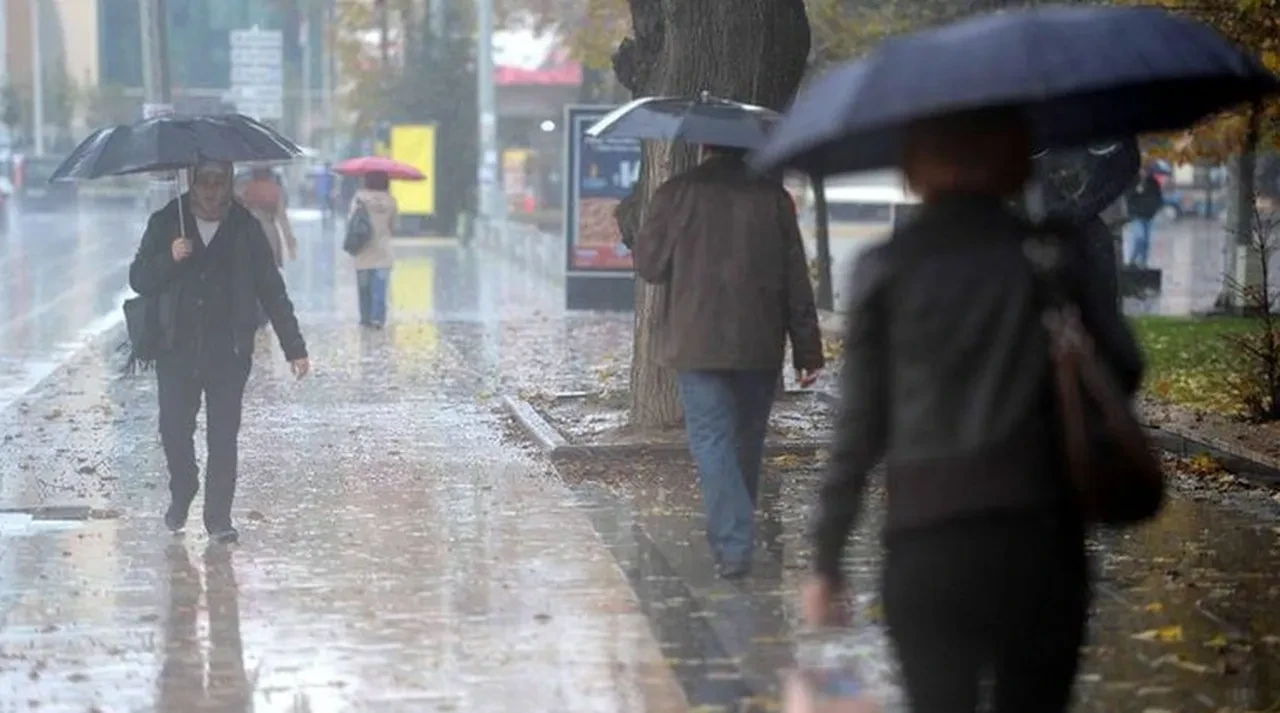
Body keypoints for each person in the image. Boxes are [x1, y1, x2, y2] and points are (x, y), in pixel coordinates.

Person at [800, 108, 1144, 713]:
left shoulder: (887, 266)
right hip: (1041, 539)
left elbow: (859, 428)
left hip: (927, 543)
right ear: (1016, 158)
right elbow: (1124, 370)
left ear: (915, 164)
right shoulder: (1052, 254)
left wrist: (827, 557)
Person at [634, 144, 824, 580]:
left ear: (704, 147)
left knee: (712, 440)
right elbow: (797, 278)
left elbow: (649, 266)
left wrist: (644, 225)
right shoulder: (773, 198)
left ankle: (735, 544)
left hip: (697, 342)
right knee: (745, 443)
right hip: (759, 342)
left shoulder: (677, 193)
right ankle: (734, 538)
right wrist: (807, 350)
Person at [128, 160, 310, 544]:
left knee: (223, 437)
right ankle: (184, 488)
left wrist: (294, 347)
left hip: (228, 351)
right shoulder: (167, 221)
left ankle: (219, 518)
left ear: (229, 182)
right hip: (176, 350)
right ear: (192, 182)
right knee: (174, 431)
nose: (211, 190)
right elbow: (139, 278)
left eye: (218, 181)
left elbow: (271, 290)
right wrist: (169, 258)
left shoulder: (245, 227)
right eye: (204, 181)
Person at [349, 170, 398, 328]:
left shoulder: (359, 199)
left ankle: (365, 318)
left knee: (364, 289)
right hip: (383, 251)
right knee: (380, 289)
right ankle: (378, 318)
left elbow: (351, 221)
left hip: (363, 250)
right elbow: (394, 226)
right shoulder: (391, 201)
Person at [239, 166, 297, 268]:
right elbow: (282, 216)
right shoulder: (276, 183)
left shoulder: (242, 180)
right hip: (267, 234)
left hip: (250, 233)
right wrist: (290, 242)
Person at [1123, 166, 1163, 267]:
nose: (1145, 172)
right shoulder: (1134, 181)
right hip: (1137, 215)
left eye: (1147, 170)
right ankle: (1133, 259)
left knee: (1146, 241)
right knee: (1139, 237)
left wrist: (1154, 209)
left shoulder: (1153, 183)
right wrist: (1136, 191)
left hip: (1148, 215)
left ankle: (1143, 263)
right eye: (1143, 169)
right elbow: (1127, 196)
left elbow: (1158, 197)